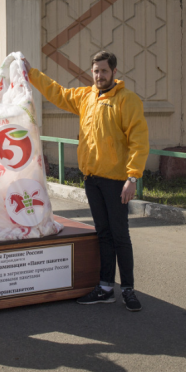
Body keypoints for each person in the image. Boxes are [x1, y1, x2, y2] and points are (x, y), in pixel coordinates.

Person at [23, 51, 149, 312]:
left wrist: (133, 177)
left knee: (120, 235)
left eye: (104, 71)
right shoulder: (85, 97)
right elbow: (57, 93)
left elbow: (139, 141)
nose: (99, 75)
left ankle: (127, 288)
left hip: (116, 182)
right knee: (102, 234)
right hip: (92, 180)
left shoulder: (128, 100)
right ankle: (105, 287)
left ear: (114, 72)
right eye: (95, 71)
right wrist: (32, 74)